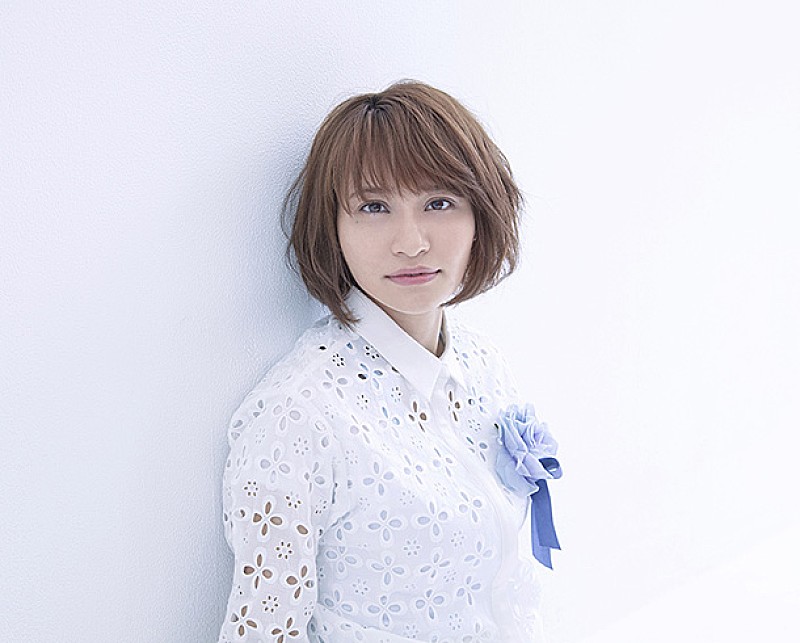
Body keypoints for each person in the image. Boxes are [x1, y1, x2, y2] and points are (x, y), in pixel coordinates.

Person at [218, 81, 560, 642]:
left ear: (481, 214)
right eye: (374, 207)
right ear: (332, 226)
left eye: (438, 202)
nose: (411, 242)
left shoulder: (483, 364)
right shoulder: (297, 417)